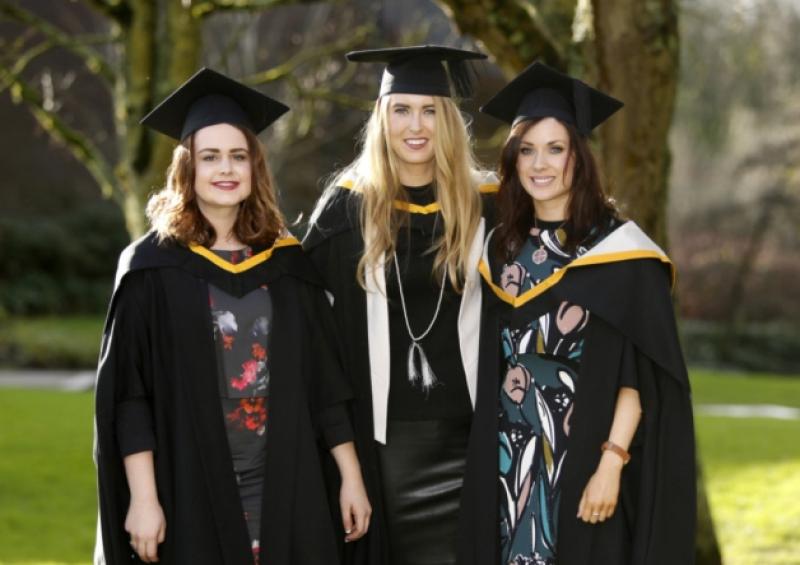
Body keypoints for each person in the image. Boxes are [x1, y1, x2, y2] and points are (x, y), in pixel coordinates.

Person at [93, 68, 371, 565]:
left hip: (285, 479)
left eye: (238, 156)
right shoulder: (151, 268)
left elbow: (325, 383)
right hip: (190, 479)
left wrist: (350, 477)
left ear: (254, 168)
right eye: (211, 157)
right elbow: (130, 397)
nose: (226, 169)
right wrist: (143, 497)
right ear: (188, 169)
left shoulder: (287, 264)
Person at [457, 62, 696, 565]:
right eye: (527, 150)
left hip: (580, 453)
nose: (539, 164)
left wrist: (611, 463)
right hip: (505, 457)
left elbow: (638, 376)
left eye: (555, 149)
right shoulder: (500, 247)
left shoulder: (618, 253)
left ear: (579, 158)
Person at [303, 45, 496, 565]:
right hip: (382, 449)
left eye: (431, 110)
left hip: (471, 445)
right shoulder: (347, 207)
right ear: (382, 119)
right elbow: (311, 336)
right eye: (402, 110)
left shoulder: (487, 205)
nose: (417, 125)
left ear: (449, 120)